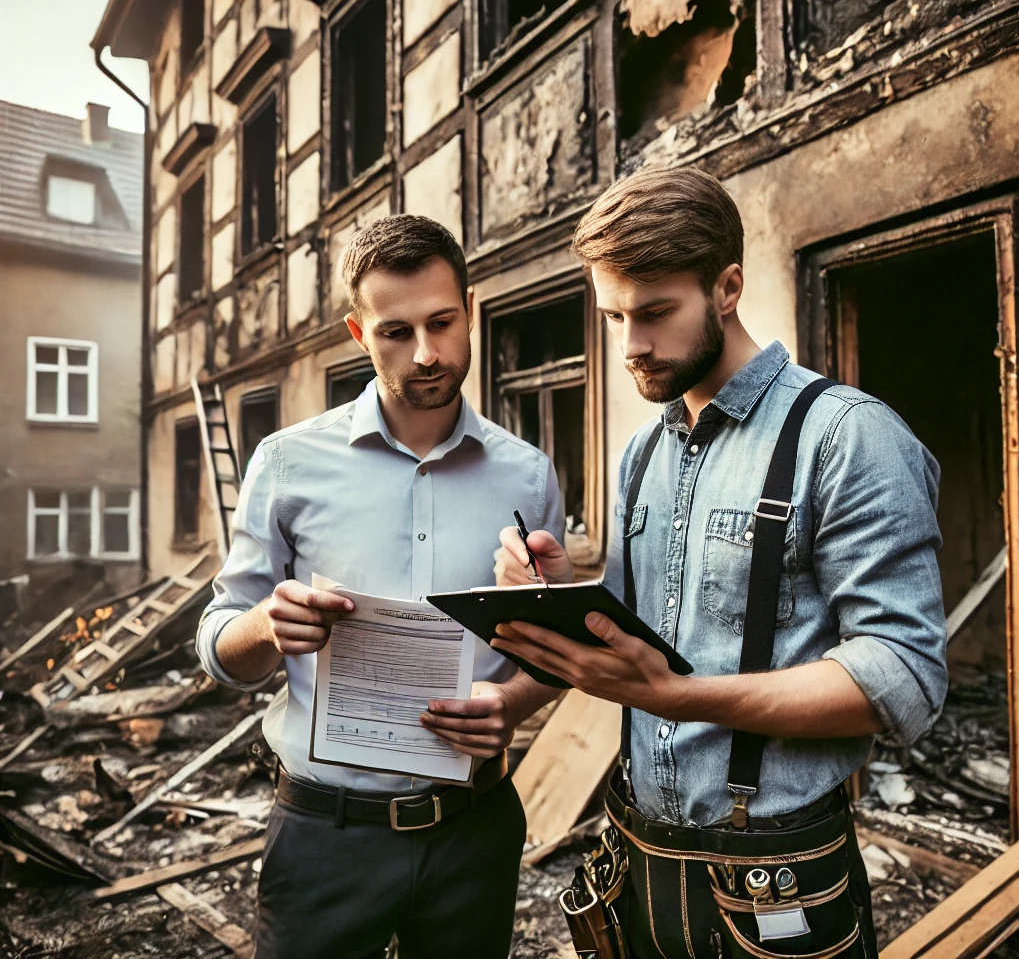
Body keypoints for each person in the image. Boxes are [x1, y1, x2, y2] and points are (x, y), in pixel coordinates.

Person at [492, 167, 947, 958]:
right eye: (615, 316)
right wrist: (561, 594)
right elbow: (637, 636)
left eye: (656, 312)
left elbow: (902, 675)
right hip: (635, 862)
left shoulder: (847, 436)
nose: (632, 344)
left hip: (778, 880)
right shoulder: (642, 453)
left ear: (728, 286)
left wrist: (680, 696)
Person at [196, 214, 563, 959]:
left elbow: (549, 652)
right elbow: (218, 647)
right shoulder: (287, 462)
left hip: (475, 832)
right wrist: (268, 625)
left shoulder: (528, 473)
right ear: (359, 335)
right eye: (396, 332)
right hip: (325, 839)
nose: (427, 353)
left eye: (442, 322)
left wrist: (515, 701)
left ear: (471, 310)